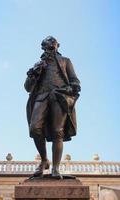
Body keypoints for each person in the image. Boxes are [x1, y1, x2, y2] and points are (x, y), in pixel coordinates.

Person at [24, 36, 81, 178]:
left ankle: (55, 168)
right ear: (43, 48)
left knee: (58, 132)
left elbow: (75, 82)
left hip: (59, 98)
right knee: (35, 128)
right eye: (46, 47)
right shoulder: (38, 65)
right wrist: (33, 75)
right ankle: (44, 160)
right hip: (41, 97)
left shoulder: (65, 61)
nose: (49, 50)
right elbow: (27, 87)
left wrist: (68, 89)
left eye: (52, 46)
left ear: (57, 46)